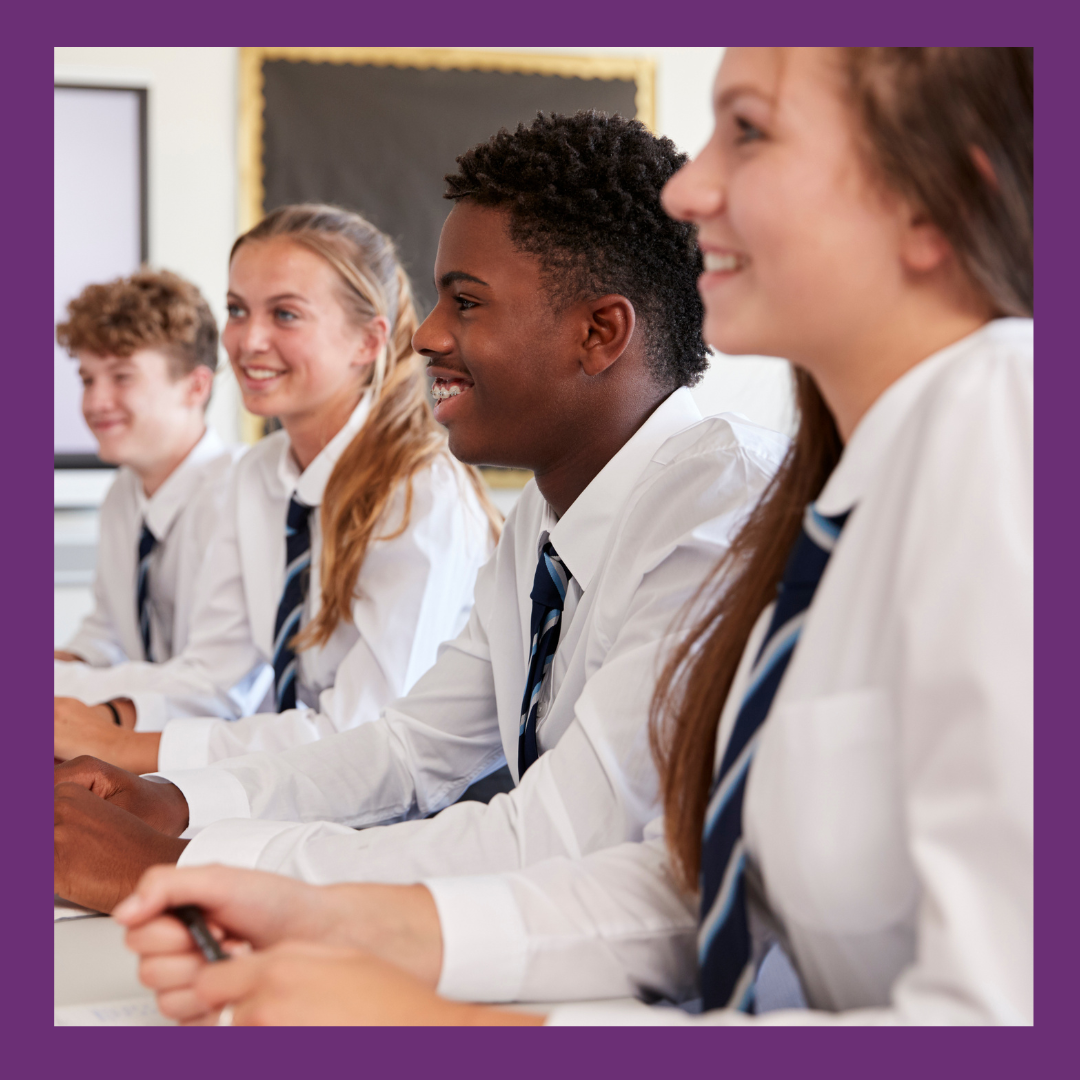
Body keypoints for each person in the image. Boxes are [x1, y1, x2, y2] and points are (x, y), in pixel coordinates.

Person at [116, 47, 1032, 1026]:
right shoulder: (822, 488)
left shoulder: (1000, 422)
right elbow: (694, 881)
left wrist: (443, 1020)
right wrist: (326, 914)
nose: (692, 184)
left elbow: (996, 1021)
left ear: (933, 203)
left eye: (751, 130)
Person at [53, 112, 787, 915]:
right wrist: (173, 801)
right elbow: (409, 751)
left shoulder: (718, 511)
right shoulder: (547, 520)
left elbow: (559, 840)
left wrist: (182, 865)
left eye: (465, 303)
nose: (426, 336)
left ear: (599, 331)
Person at [54, 205, 498, 776]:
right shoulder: (259, 475)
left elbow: (367, 738)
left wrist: (124, 747)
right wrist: (94, 721)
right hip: (293, 786)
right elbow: (216, 680)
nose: (247, 340)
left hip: (407, 814)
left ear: (367, 341)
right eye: (237, 310)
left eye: (285, 314)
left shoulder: (420, 494)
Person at [54, 269, 241, 674]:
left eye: (122, 377)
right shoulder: (123, 495)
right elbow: (108, 636)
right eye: (88, 380)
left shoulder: (238, 498)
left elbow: (213, 684)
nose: (95, 402)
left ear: (195, 387)